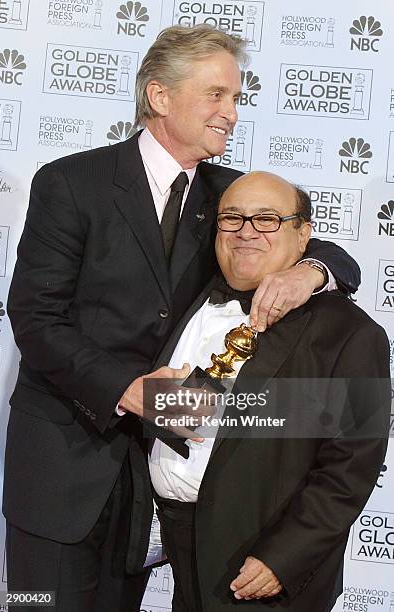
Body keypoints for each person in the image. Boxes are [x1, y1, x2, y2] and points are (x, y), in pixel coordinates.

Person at [4, 25, 360, 612]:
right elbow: (35, 317)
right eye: (216, 94)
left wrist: (312, 270)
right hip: (62, 465)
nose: (231, 113)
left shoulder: (229, 197)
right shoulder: (72, 182)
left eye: (236, 98)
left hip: (159, 477)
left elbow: (322, 247)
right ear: (159, 96)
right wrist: (126, 389)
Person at [142, 172, 390, 612]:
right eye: (233, 218)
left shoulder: (353, 335)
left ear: (304, 236)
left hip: (260, 568)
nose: (246, 232)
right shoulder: (189, 296)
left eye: (267, 219)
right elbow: (189, 414)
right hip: (177, 550)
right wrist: (159, 404)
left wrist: (283, 558)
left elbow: (350, 470)